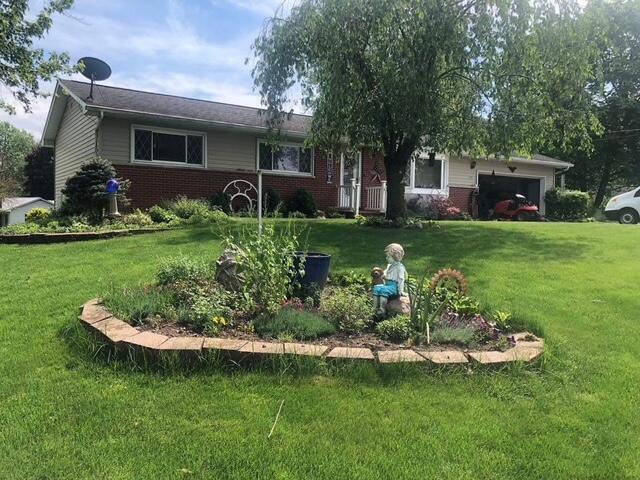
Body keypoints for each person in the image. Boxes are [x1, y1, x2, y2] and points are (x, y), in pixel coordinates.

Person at [373, 243, 407, 315]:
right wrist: (383, 275)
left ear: (395, 257)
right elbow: (385, 273)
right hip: (388, 285)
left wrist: (400, 291)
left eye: (388, 257)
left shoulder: (400, 268)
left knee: (383, 290)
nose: (386, 258)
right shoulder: (390, 266)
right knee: (376, 288)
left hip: (394, 287)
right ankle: (374, 308)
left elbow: (401, 280)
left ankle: (382, 309)